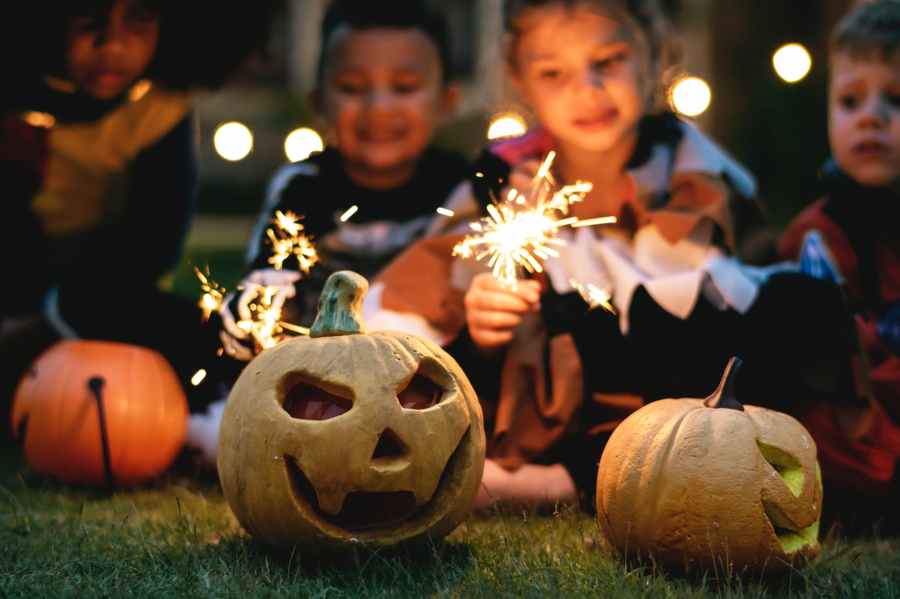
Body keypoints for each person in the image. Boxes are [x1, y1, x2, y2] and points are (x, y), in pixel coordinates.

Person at [369, 0, 856, 511]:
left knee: (779, 309)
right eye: (554, 72)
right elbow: (440, 283)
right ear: (521, 81)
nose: (588, 90)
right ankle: (541, 469)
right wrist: (484, 324)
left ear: (653, 56)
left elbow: (719, 279)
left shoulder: (696, 170)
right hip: (550, 388)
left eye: (608, 62)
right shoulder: (504, 181)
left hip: (668, 377)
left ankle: (574, 480)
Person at [0, 0, 275, 433]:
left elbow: (154, 244)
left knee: (199, 334)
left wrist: (51, 318)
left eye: (140, 18)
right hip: (14, 279)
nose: (112, 45)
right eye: (87, 17)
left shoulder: (159, 110)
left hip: (101, 293)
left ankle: (231, 410)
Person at [216, 0, 467, 361]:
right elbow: (267, 283)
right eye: (352, 87)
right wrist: (254, 315)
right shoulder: (304, 187)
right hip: (318, 373)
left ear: (446, 101)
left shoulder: (461, 188)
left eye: (404, 87)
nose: (379, 107)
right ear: (319, 101)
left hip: (429, 374)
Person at [779, 0, 900, 534]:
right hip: (863, 428)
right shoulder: (818, 233)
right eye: (850, 101)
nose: (870, 116)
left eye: (896, 100)